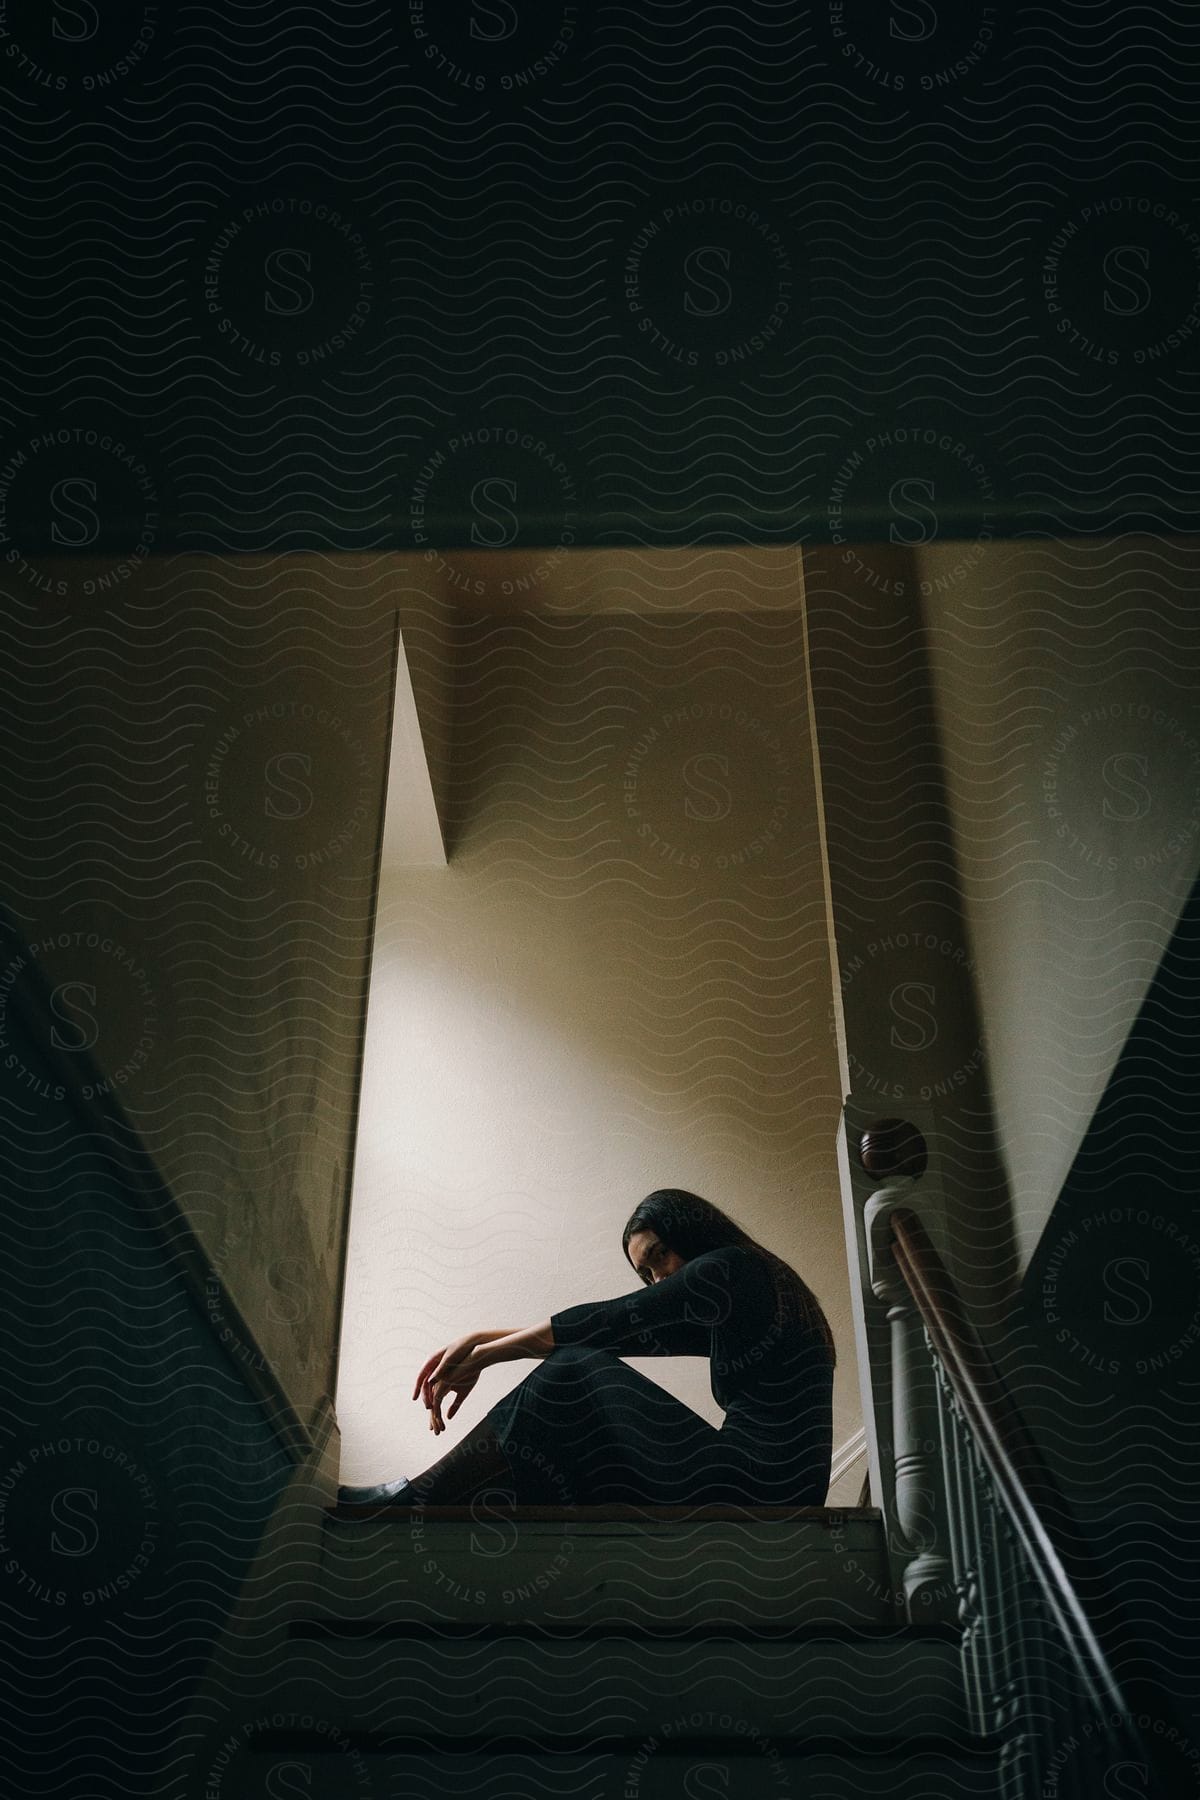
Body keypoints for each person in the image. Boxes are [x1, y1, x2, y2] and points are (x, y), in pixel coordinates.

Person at [337, 1188, 836, 1510]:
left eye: (659, 1256)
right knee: (576, 1400)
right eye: (646, 1274)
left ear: (691, 1229)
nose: (658, 1279)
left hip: (753, 1488)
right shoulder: (758, 1288)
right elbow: (617, 1333)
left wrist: (487, 1356)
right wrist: (484, 1339)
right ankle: (448, 1506)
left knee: (574, 1368)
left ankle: (415, 1498)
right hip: (778, 1492)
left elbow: (607, 1322)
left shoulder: (727, 1269)